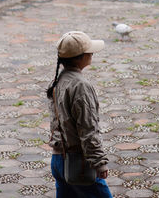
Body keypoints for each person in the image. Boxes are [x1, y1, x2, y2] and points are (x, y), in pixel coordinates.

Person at [46, 30, 113, 198]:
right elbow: (87, 128)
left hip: (58, 160)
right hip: (78, 163)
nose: (91, 54)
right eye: (88, 51)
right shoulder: (80, 86)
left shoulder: (58, 80)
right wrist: (99, 162)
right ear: (80, 57)